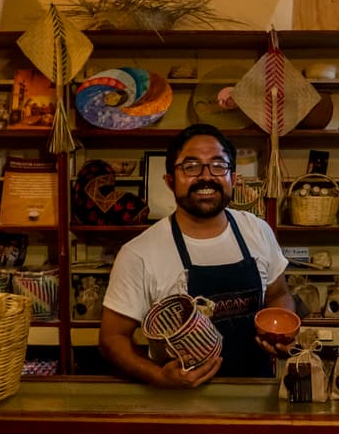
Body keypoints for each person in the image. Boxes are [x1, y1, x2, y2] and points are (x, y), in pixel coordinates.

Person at [101, 124, 295, 387]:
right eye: (191, 166)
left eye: (218, 165)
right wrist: (158, 376)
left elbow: (278, 294)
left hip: (255, 394)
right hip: (179, 405)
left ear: (233, 179)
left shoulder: (257, 231)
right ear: (170, 181)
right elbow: (112, 338)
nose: (206, 177)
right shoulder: (139, 253)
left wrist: (279, 333)